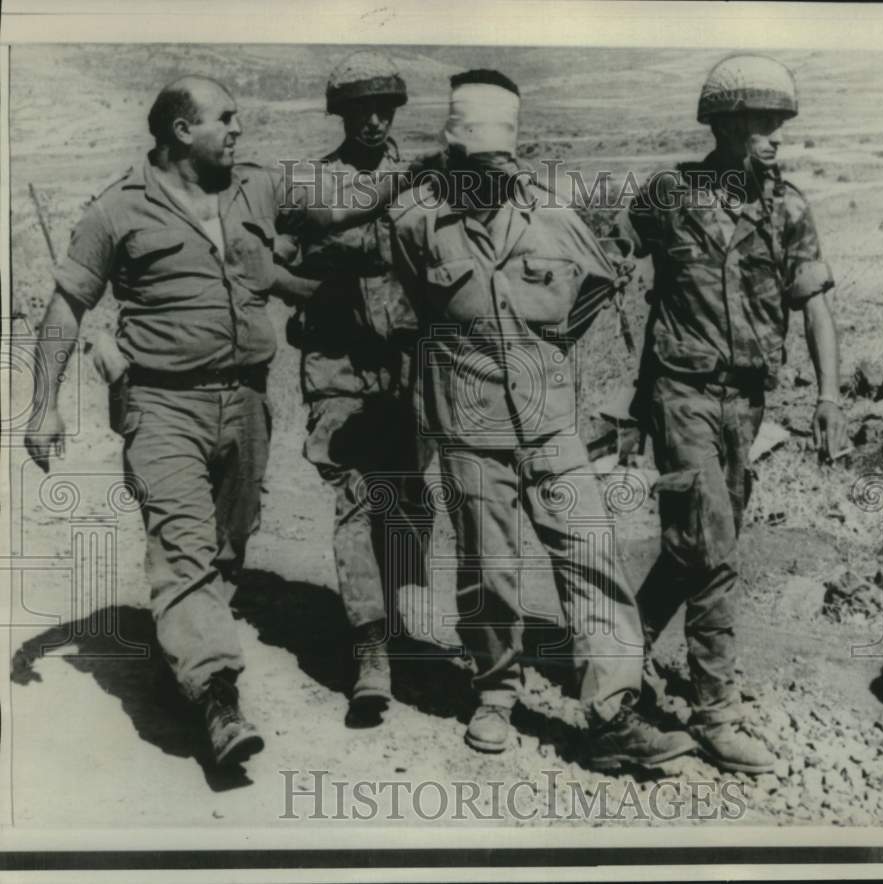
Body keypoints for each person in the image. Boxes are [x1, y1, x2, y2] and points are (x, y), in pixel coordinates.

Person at [23, 75, 421, 767]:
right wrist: (43, 404)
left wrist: (417, 176)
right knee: (183, 547)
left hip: (246, 404)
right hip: (162, 403)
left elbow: (335, 208)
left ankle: (187, 635)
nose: (238, 129)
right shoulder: (117, 209)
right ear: (182, 130)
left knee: (228, 541)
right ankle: (216, 695)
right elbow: (66, 306)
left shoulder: (256, 187)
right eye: (226, 119)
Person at [390, 68, 696, 772]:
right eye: (476, 165)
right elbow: (415, 306)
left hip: (551, 424)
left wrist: (547, 349)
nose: (491, 178)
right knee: (488, 569)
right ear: (452, 154)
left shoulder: (552, 214)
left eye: (501, 163)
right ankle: (495, 691)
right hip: (470, 427)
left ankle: (613, 711)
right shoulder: (416, 222)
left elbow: (599, 284)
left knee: (589, 554)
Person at [619, 54, 848, 774]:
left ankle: (617, 648)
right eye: (761, 123)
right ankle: (715, 712)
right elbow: (607, 265)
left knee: (694, 544)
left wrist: (829, 397)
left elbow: (815, 305)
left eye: (780, 123)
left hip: (746, 403)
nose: (776, 136)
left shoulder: (787, 208)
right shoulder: (668, 197)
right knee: (714, 549)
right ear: (722, 125)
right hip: (679, 394)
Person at [277, 51, 432, 724]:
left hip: (407, 368)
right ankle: (369, 648)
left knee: (408, 499)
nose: (374, 121)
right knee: (357, 500)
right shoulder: (312, 184)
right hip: (339, 365)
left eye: (384, 109)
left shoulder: (423, 185)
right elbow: (286, 260)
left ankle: (392, 619)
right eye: (360, 110)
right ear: (340, 114)